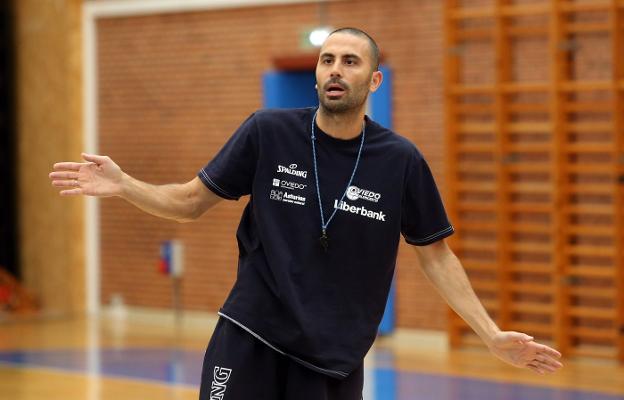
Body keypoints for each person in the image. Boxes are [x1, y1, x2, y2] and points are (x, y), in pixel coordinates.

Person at [50, 27, 562, 400]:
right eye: (327, 60)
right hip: (251, 335)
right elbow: (189, 203)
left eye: (350, 61)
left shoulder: (400, 161)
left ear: (375, 80)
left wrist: (490, 334)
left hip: (332, 360)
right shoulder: (267, 132)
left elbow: (436, 255)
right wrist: (123, 185)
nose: (335, 70)